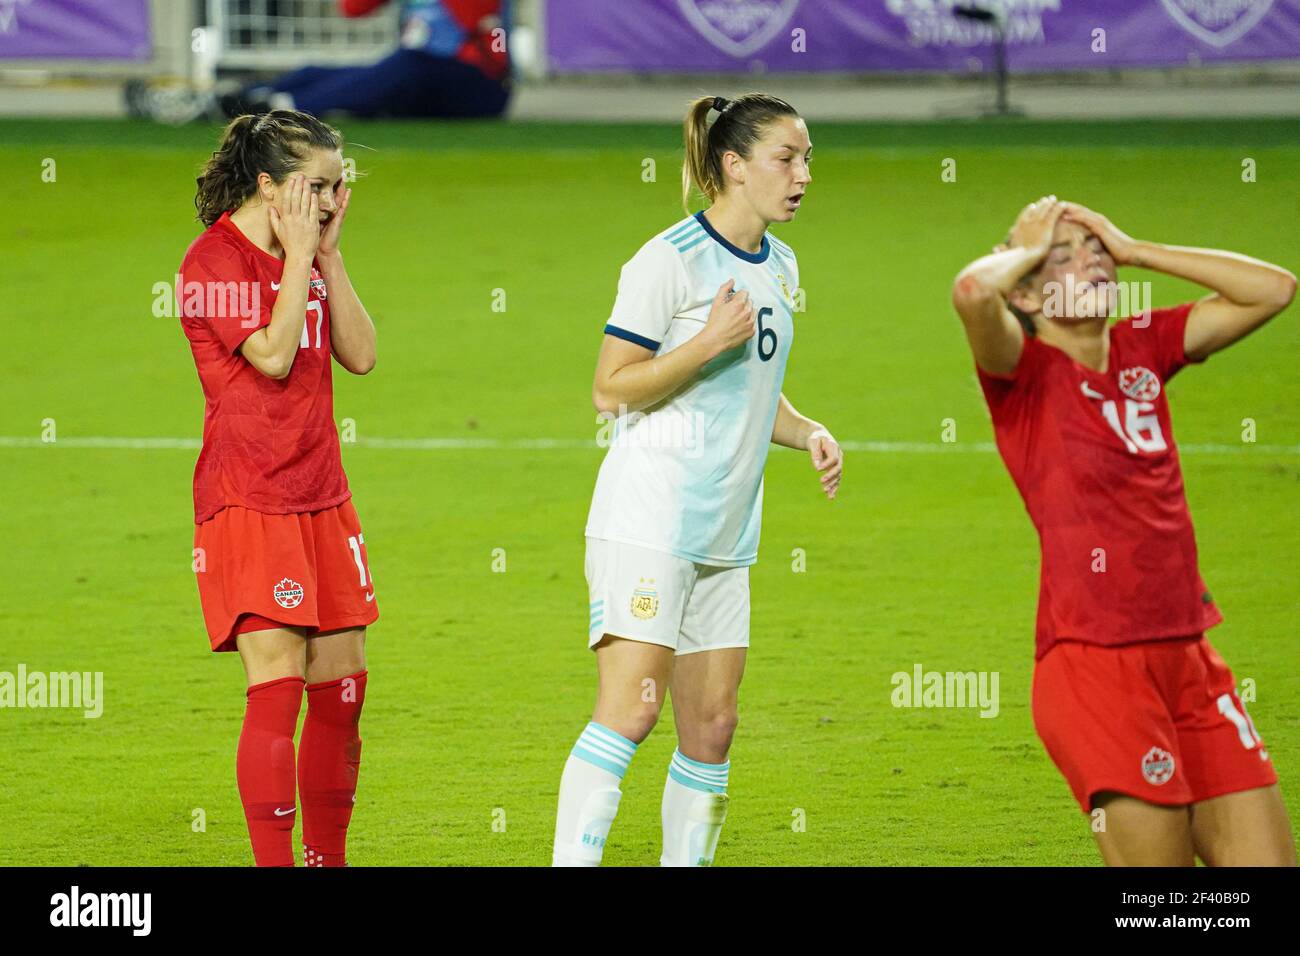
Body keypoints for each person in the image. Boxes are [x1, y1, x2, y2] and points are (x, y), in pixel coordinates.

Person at [951, 195, 1297, 866]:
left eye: (1097, 252)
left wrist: (1134, 247)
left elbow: (1275, 290)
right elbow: (970, 293)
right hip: (1094, 667)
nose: (1092, 263)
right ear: (1024, 289)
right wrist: (1021, 251)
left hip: (1191, 658)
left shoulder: (1146, 343)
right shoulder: (1021, 373)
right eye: (1064, 257)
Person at [552, 93, 843, 867]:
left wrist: (807, 431)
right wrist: (707, 341)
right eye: (787, 158)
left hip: (724, 533)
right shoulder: (669, 259)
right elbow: (611, 387)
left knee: (713, 726)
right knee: (630, 713)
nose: (803, 174)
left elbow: (753, 390)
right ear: (733, 166)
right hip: (649, 522)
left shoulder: (780, 262)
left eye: (808, 157)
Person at [179, 109, 379, 866]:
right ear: (267, 185)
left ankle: (330, 859)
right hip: (249, 501)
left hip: (323, 495)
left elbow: (360, 355)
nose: (330, 201)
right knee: (280, 688)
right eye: (317, 187)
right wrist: (298, 260)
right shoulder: (211, 263)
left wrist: (327, 257)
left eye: (337, 187)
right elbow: (269, 353)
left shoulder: (311, 254)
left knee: (344, 690)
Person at [220, 0, 510, 120]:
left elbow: (481, 22)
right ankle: (249, 98)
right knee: (318, 71)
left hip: (480, 86)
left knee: (405, 65)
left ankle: (285, 108)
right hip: (418, 78)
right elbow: (351, 8)